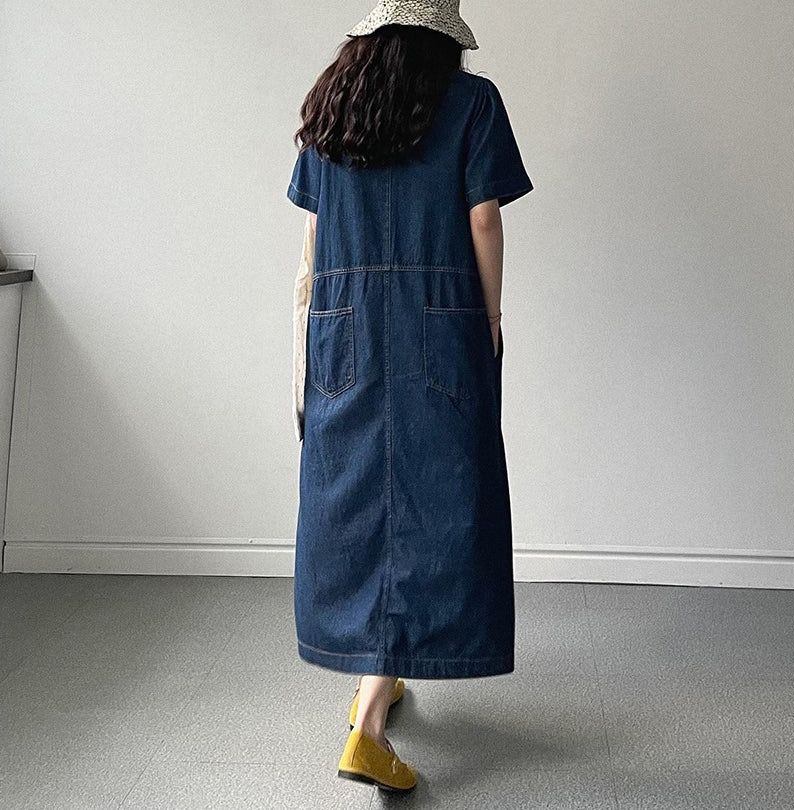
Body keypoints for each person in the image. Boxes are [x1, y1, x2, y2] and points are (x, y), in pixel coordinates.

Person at [286, 0, 533, 794]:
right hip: (441, 318)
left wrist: (314, 316)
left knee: (357, 498)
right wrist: (489, 315)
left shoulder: (334, 96)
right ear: (442, 34)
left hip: (343, 320)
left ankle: (377, 677)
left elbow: (314, 232)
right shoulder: (471, 101)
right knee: (438, 494)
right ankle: (367, 731)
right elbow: (484, 219)